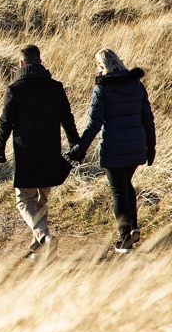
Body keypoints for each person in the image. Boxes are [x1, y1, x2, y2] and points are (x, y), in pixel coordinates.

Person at [0, 44, 79, 260]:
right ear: (40, 61)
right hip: (51, 151)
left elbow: (5, 123)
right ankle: (38, 248)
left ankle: (44, 237)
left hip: (26, 153)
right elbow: (67, 119)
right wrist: (75, 144)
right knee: (41, 199)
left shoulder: (15, 89)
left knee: (24, 200)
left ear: (21, 63)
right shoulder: (55, 87)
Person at [67, 48, 157, 254]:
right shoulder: (136, 84)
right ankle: (133, 227)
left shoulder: (103, 88)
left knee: (118, 190)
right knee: (126, 186)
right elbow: (147, 118)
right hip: (135, 146)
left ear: (101, 66)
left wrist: (80, 149)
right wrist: (150, 146)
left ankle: (125, 236)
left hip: (113, 147)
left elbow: (94, 123)